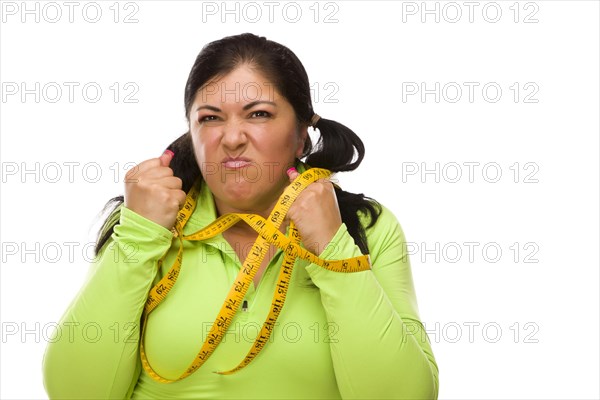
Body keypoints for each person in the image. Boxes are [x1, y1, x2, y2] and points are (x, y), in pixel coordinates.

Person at [42, 33, 439, 399]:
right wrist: (137, 238)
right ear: (191, 134)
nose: (232, 138)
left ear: (302, 133)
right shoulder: (144, 225)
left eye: (259, 114)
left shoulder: (365, 227)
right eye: (210, 118)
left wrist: (333, 251)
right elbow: (75, 393)